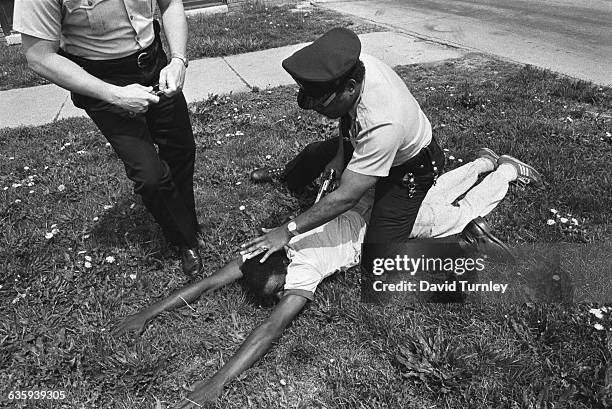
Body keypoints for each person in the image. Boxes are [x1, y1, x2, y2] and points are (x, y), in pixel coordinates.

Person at [114, 148, 543, 407]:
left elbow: (270, 329)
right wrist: (146, 313)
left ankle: (505, 171)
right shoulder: (264, 247)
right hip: (376, 207)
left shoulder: (304, 269)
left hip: (388, 226)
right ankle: (483, 161)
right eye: (276, 291)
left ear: (281, 267)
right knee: (432, 196)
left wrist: (216, 382)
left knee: (451, 216)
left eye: (278, 289)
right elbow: (208, 283)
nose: (281, 294)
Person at [241, 27, 542, 265]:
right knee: (314, 154)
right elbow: (348, 118)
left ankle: (497, 186)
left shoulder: (383, 123)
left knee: (381, 258)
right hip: (384, 147)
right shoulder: (355, 69)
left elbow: (346, 197)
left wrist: (287, 231)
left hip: (412, 169)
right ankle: (483, 163)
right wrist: (339, 155)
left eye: (322, 105)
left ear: (349, 88)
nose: (319, 111)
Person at [13, 0, 202, 276]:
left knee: (181, 150)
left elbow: (170, 3)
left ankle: (187, 223)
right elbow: (38, 55)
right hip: (100, 81)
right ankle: (184, 240)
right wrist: (115, 95)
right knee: (150, 176)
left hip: (156, 63)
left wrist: (178, 60)